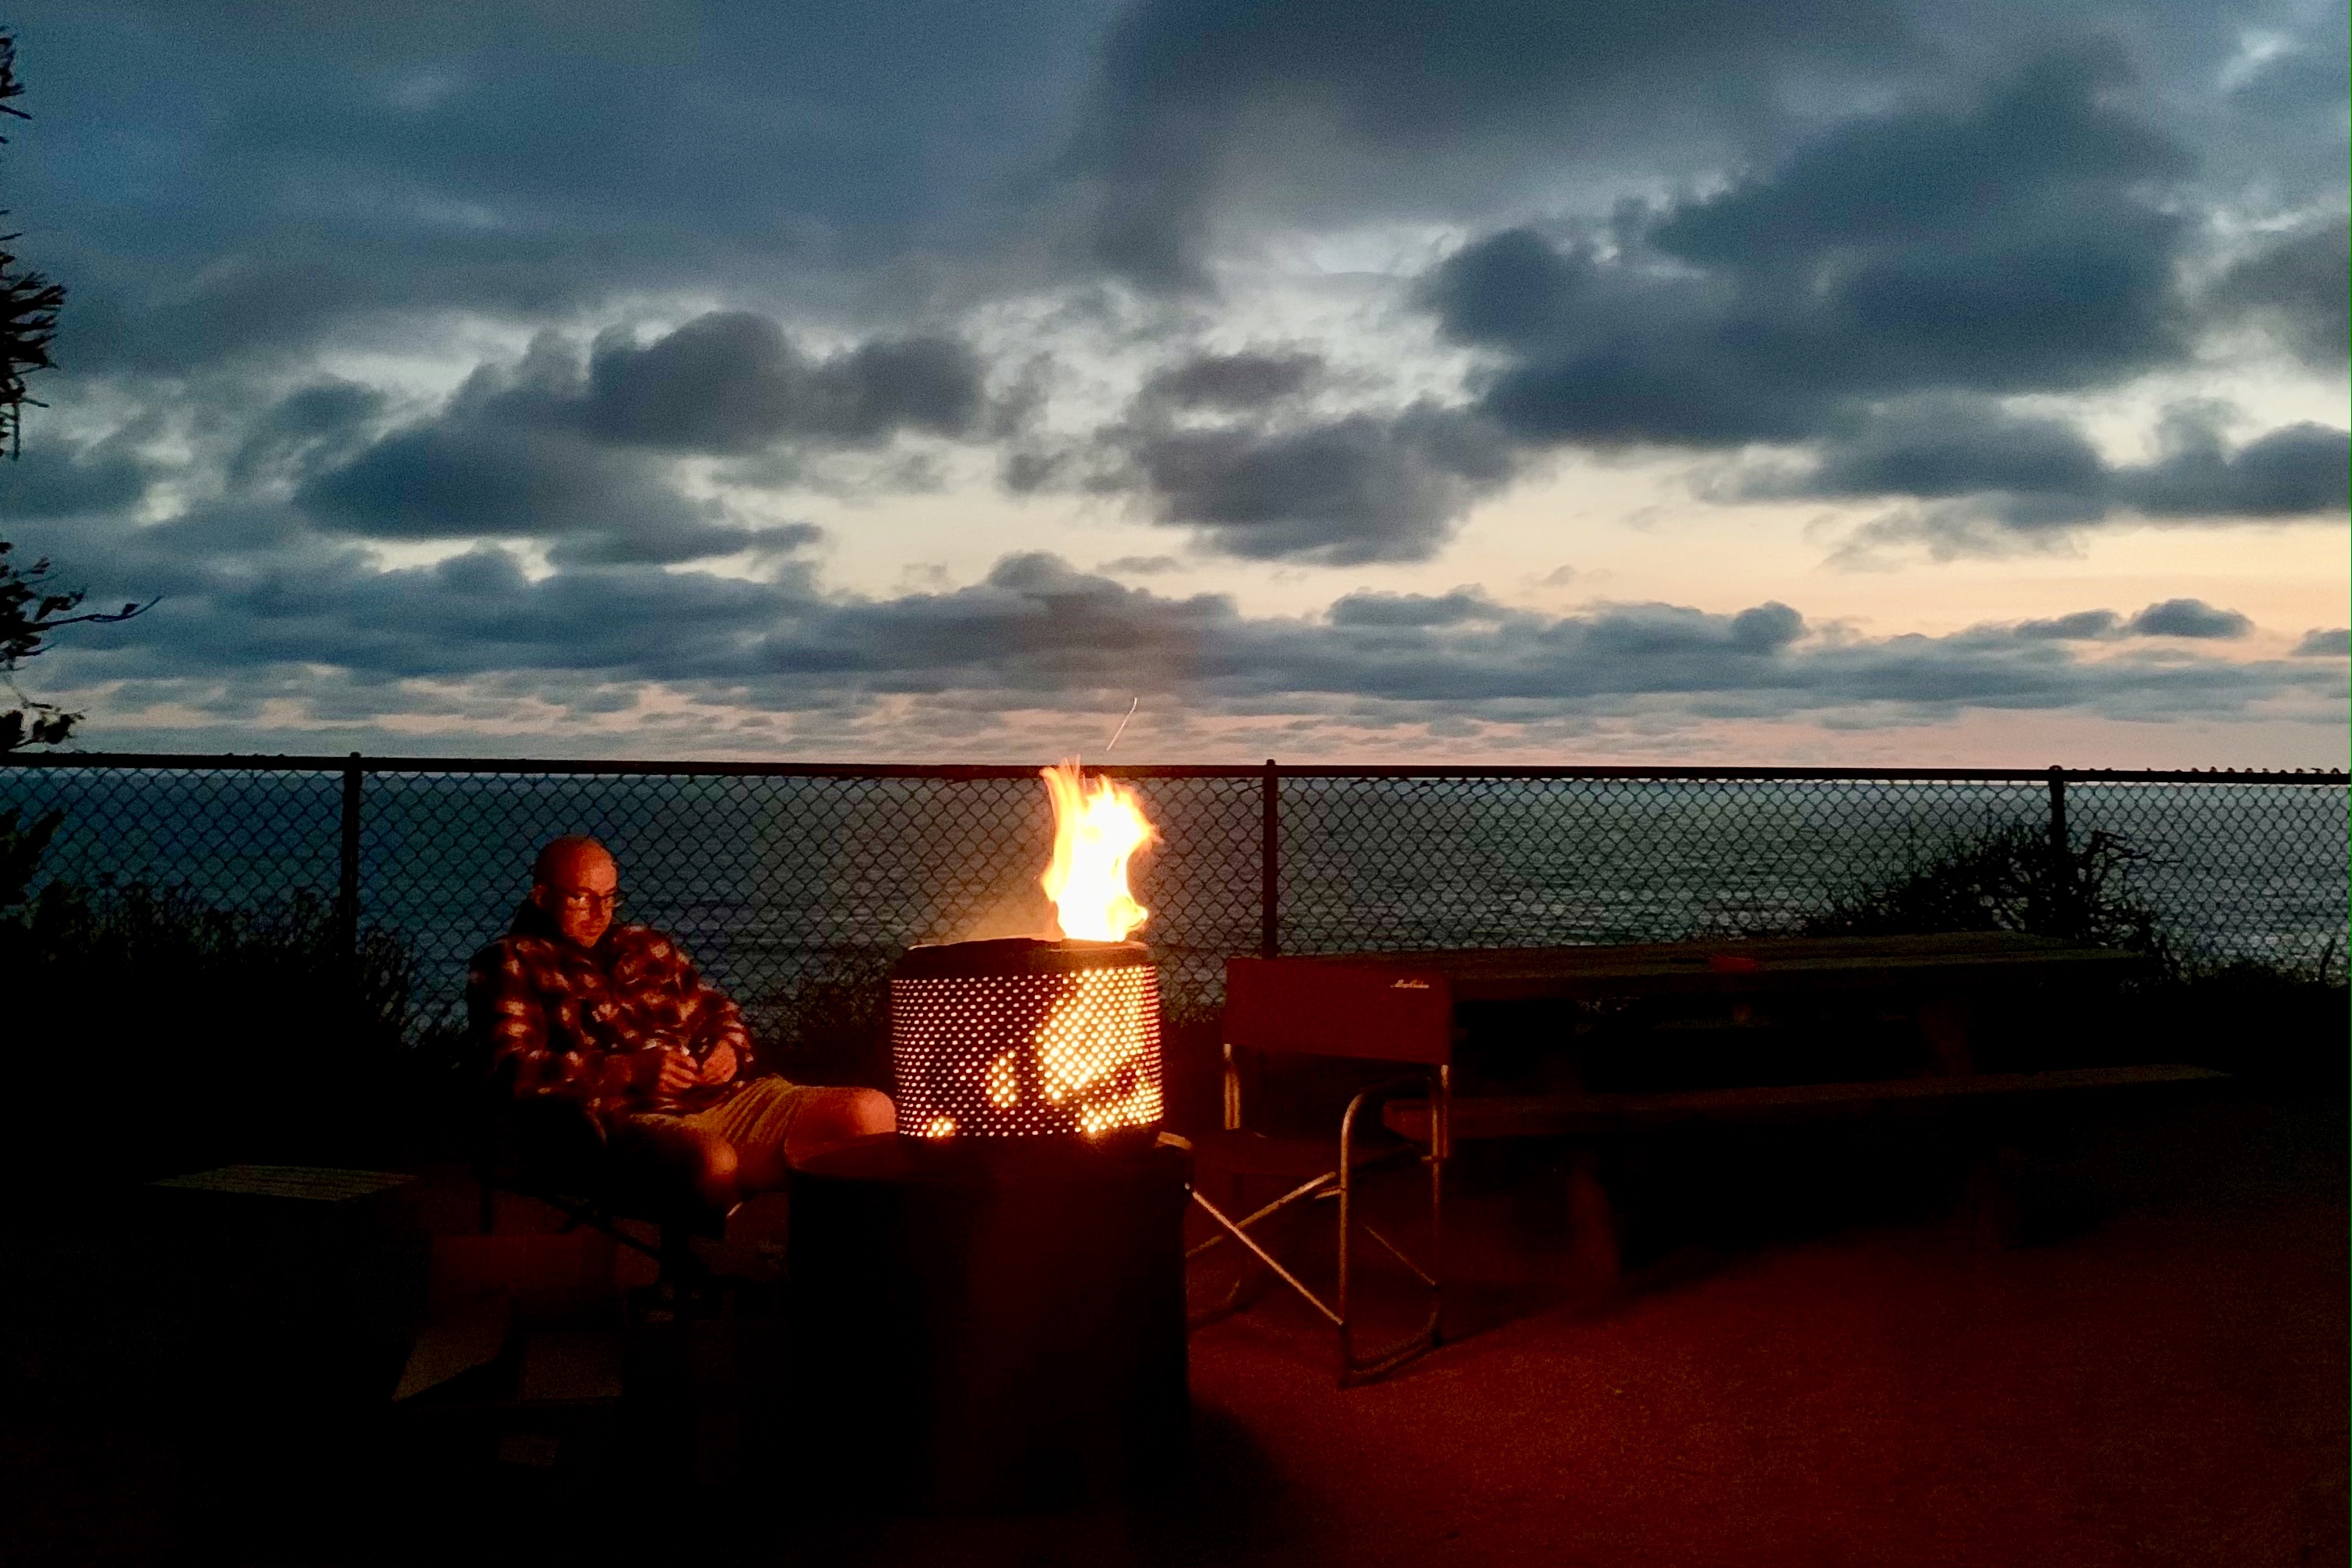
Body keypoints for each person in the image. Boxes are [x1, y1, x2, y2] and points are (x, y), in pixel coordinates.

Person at [467, 834, 894, 1218]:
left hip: (719, 1099)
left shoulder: (646, 946)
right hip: (622, 1118)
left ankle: (816, 1236)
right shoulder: (512, 961)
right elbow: (509, 1069)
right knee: (713, 1162)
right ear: (542, 898)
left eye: (610, 897)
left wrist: (727, 1050)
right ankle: (760, 1230)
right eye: (581, 898)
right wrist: (628, 1070)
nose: (599, 913)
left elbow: (718, 1013)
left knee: (870, 1111)